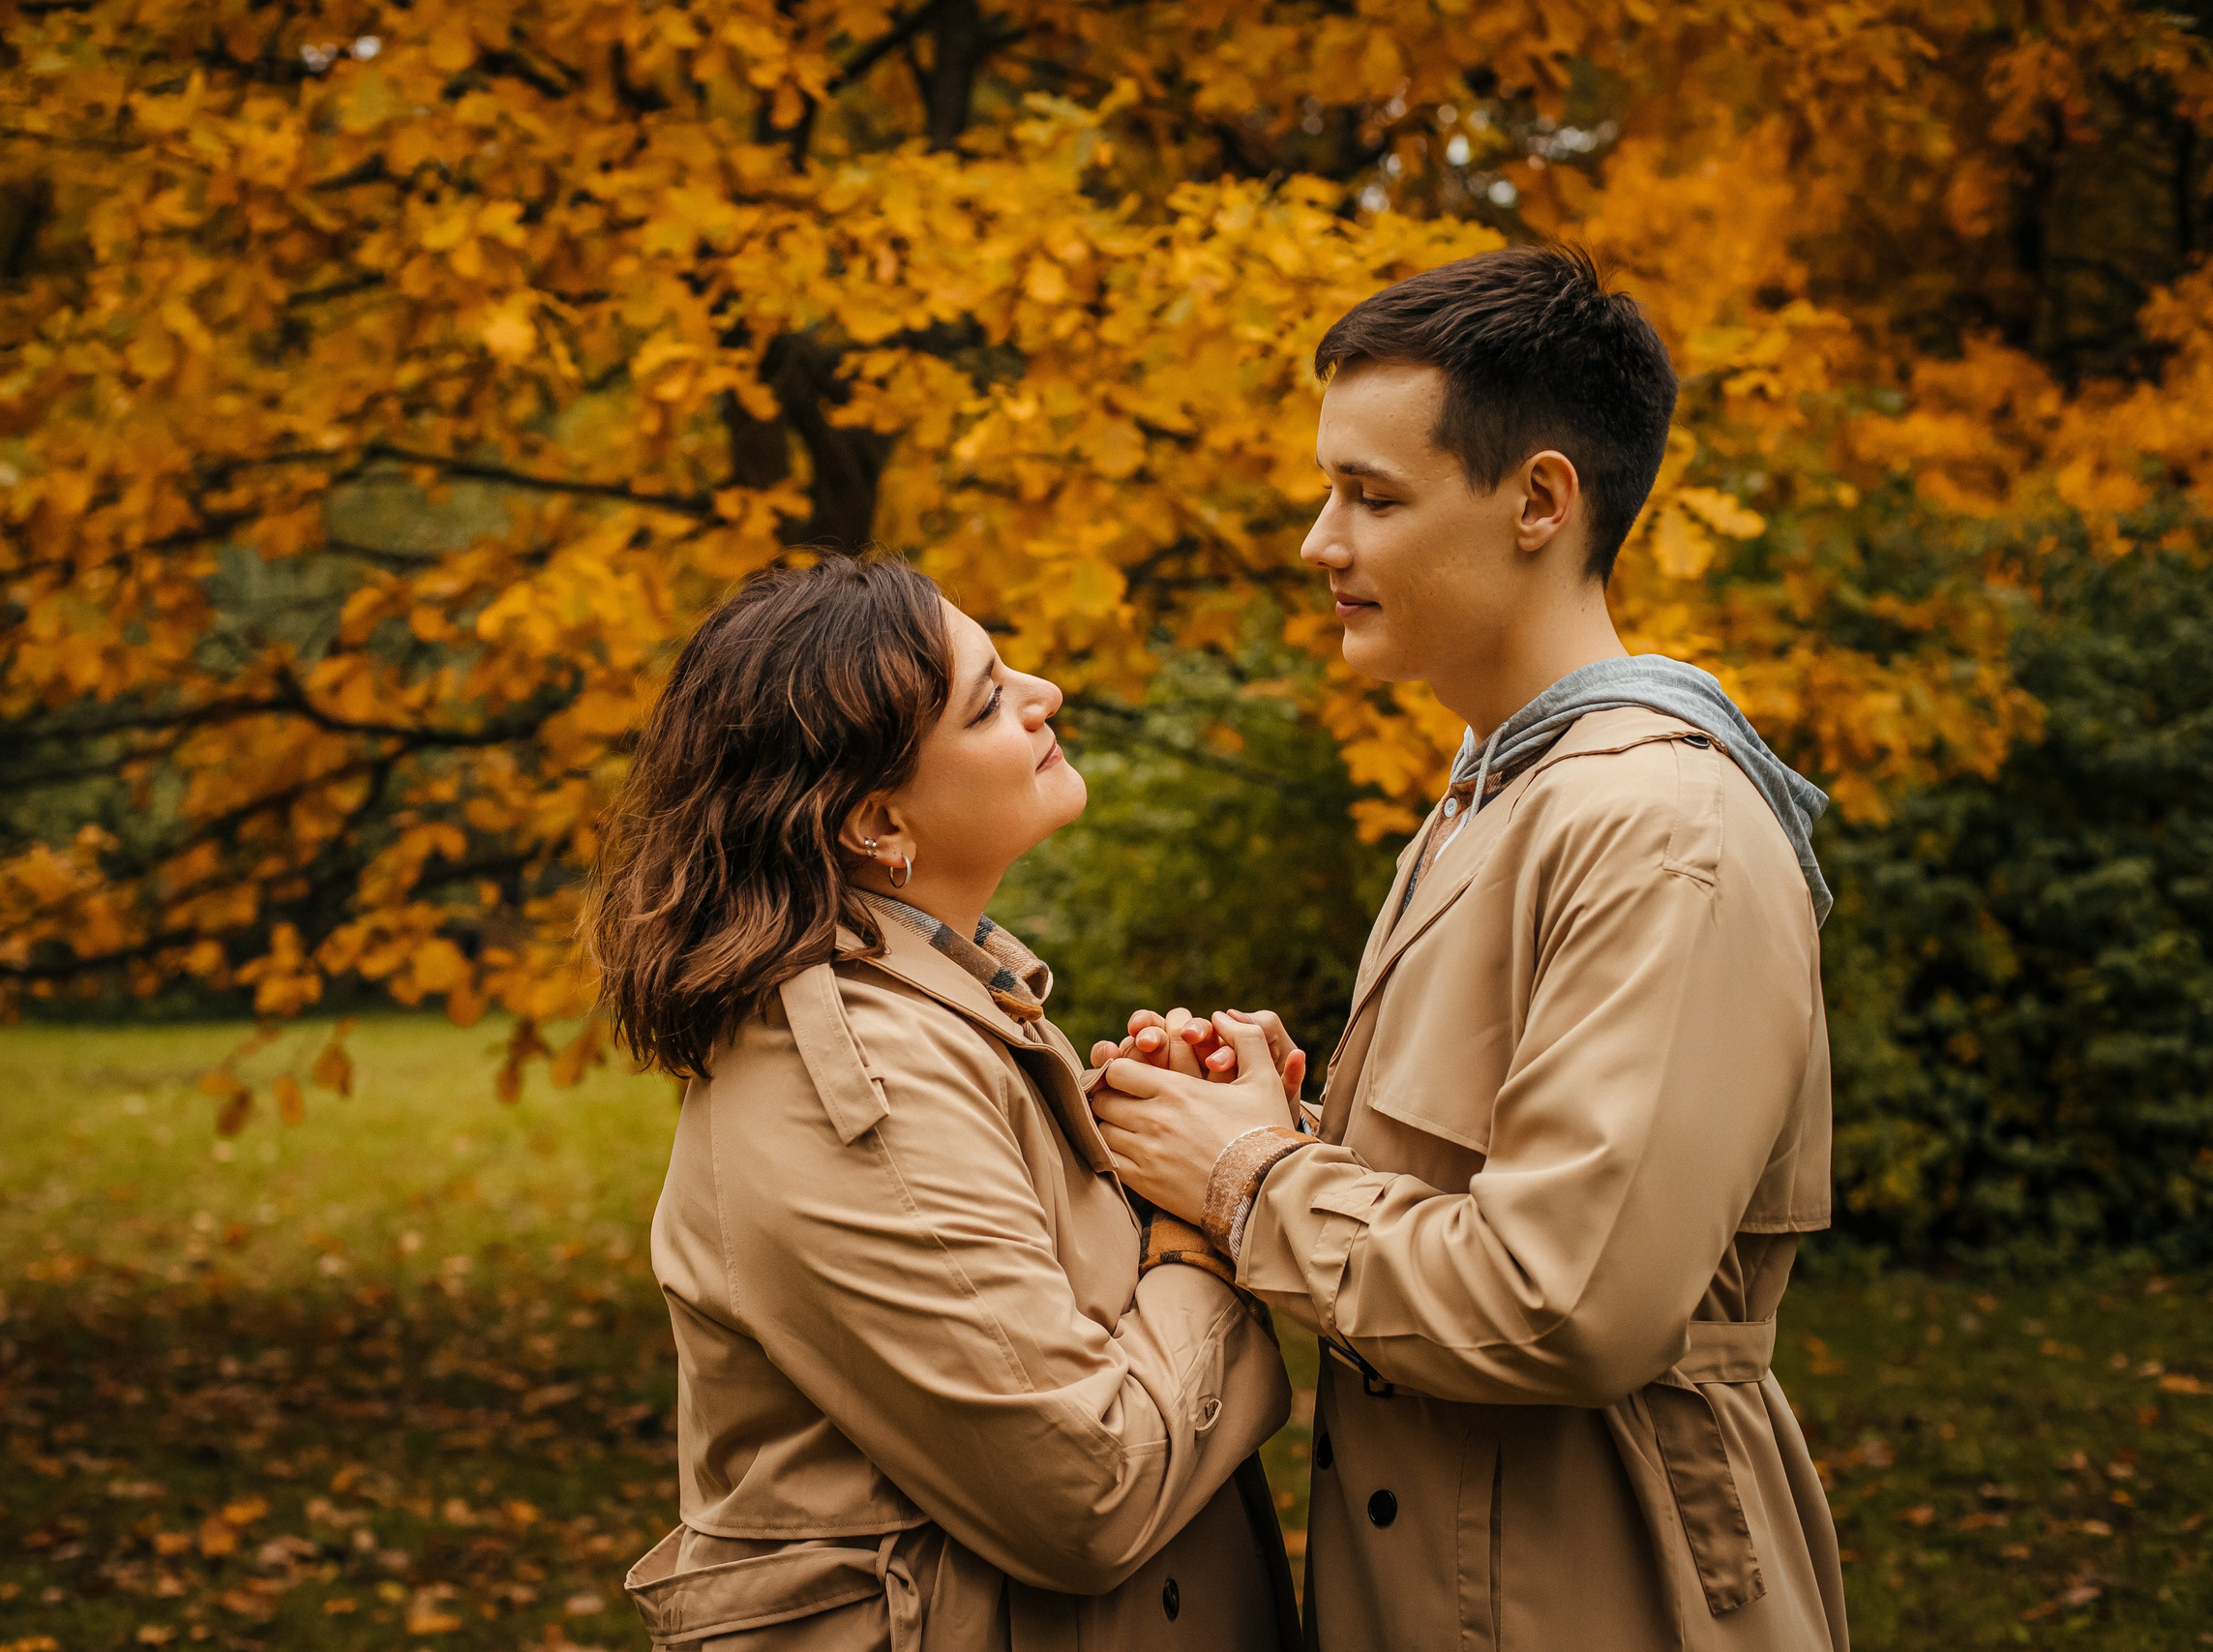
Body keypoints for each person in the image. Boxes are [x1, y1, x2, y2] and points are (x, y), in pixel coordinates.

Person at [1089, 246, 1849, 1651]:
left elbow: (1565, 1302)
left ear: (1540, 502)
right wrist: (1269, 1113)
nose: (1323, 541)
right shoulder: (1496, 793)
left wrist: (1249, 1176)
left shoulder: (1651, 824)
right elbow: (1461, 1193)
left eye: (1372, 497)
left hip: (1605, 1593)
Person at [592, 556, 1300, 1651]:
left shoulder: (948, 1005)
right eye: (986, 701)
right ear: (876, 821)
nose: (1042, 695)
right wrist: (1209, 1223)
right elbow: (1088, 1489)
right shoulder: (853, 1091)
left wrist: (1185, 1134)